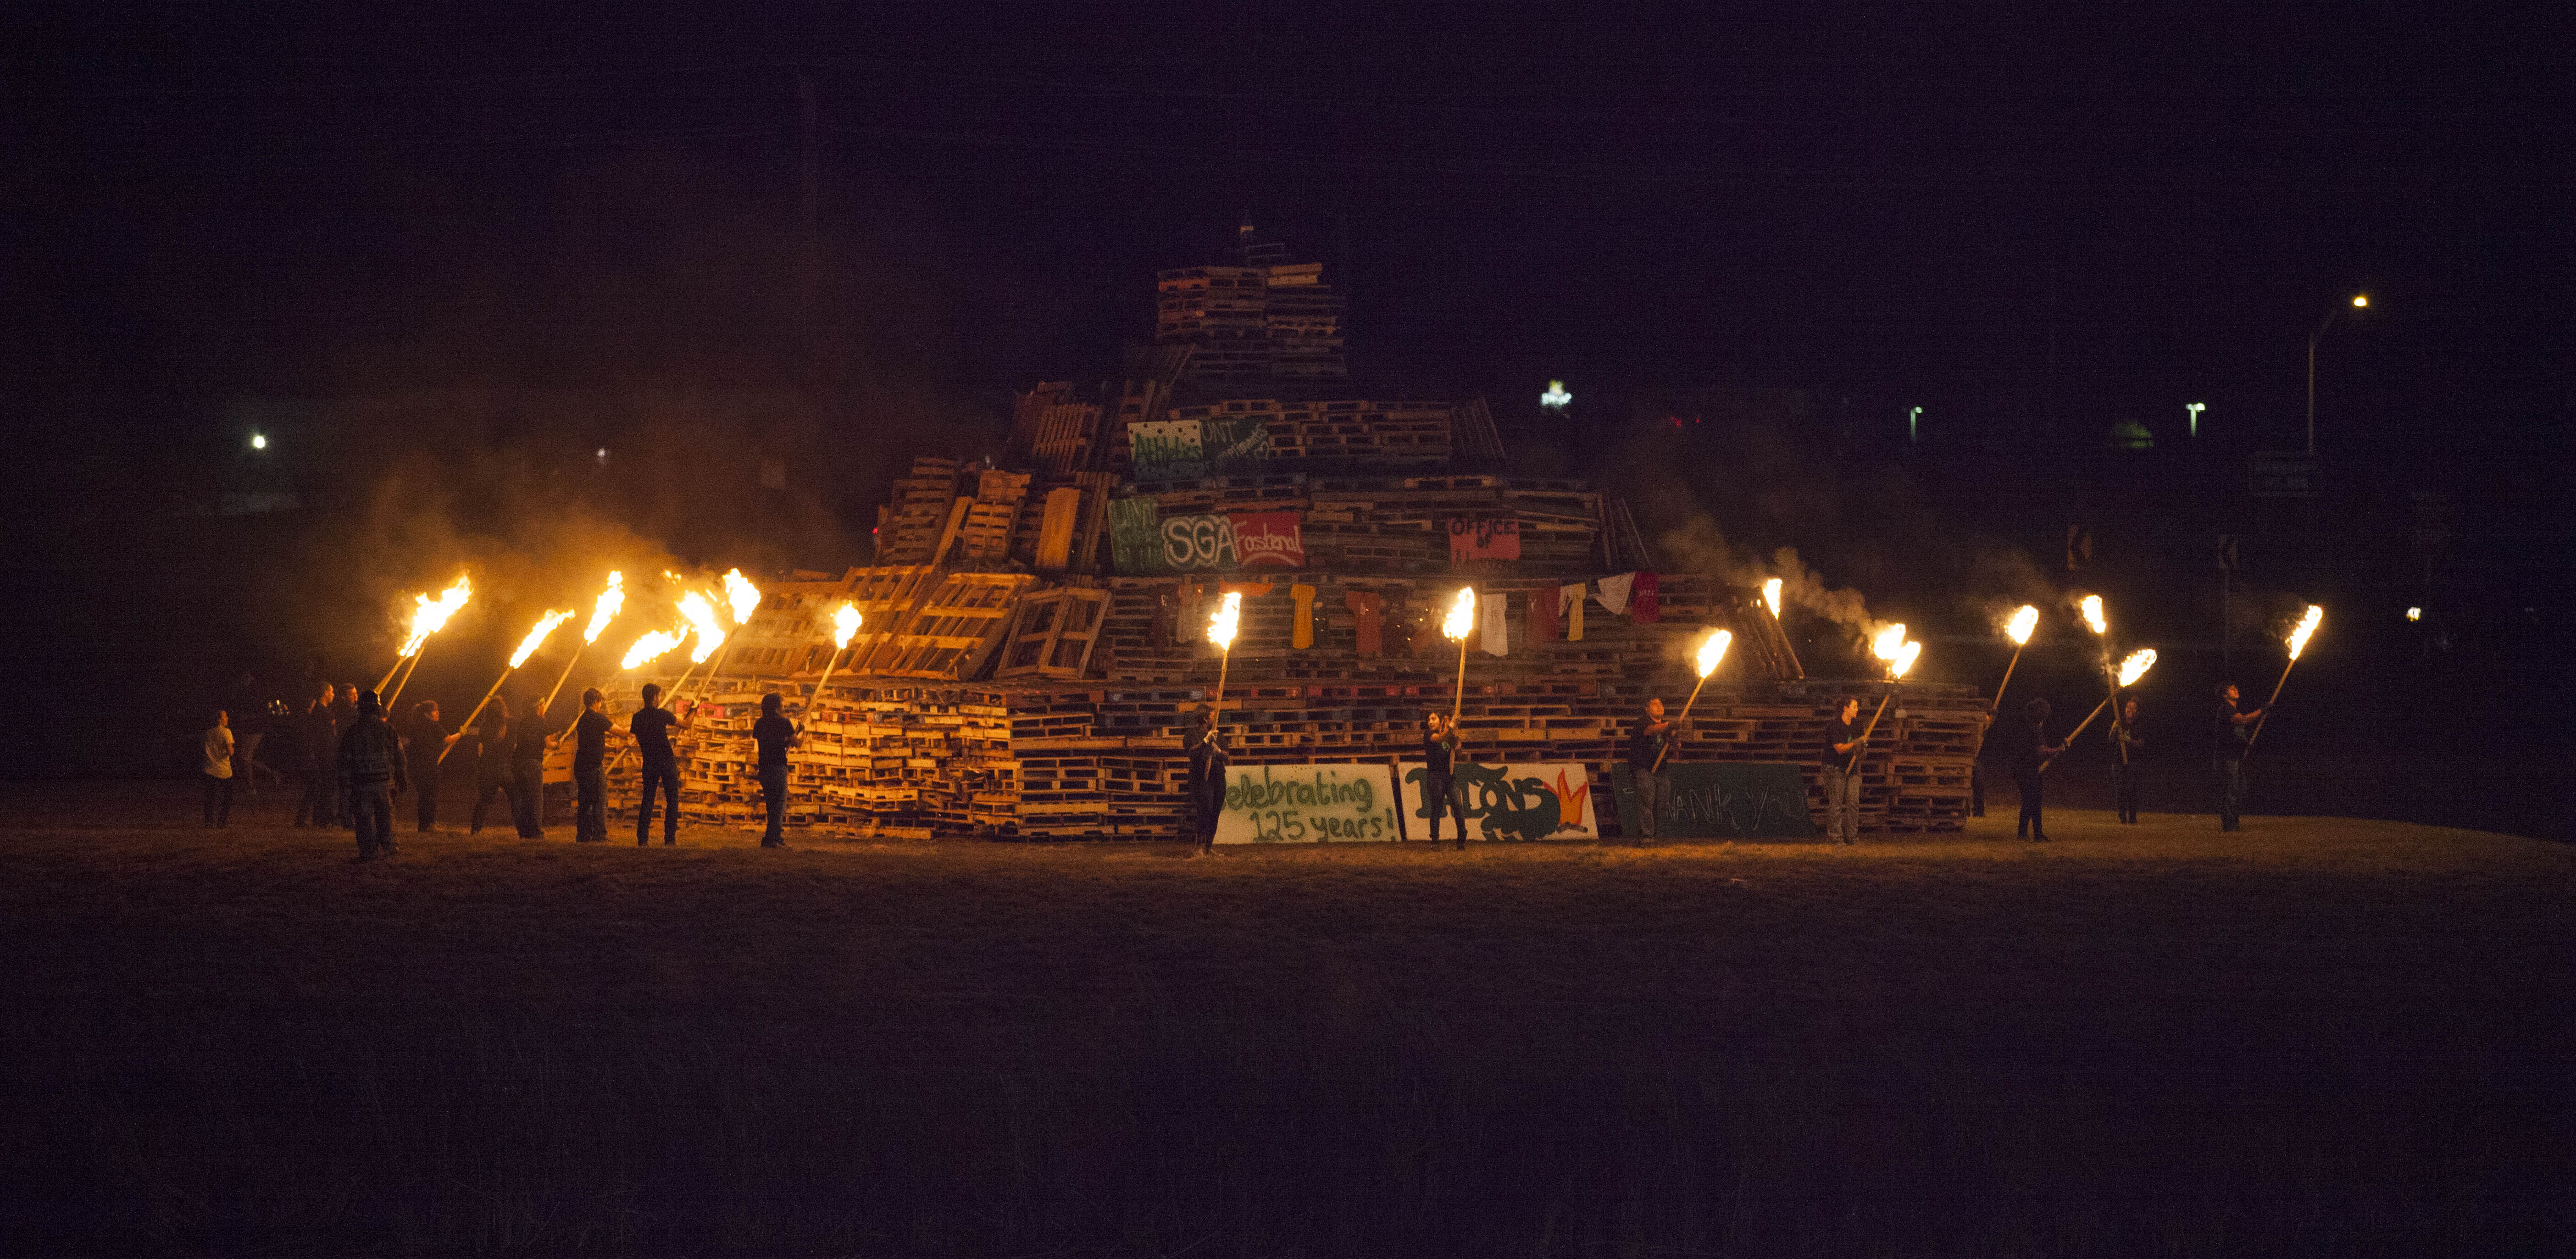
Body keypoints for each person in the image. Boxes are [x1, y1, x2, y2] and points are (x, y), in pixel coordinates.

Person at [338, 688, 408, 860]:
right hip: (384, 783)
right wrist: (402, 778)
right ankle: (390, 844)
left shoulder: (352, 732)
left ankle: (368, 850)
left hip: (361, 784)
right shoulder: (389, 730)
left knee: (363, 819)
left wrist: (345, 786)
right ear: (378, 709)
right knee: (386, 815)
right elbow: (400, 756)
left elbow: (344, 761)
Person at [630, 682, 694, 846]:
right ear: (654, 698)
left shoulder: (637, 718)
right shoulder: (661, 714)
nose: (660, 699)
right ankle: (670, 839)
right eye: (658, 696)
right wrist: (694, 710)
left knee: (648, 799)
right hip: (666, 761)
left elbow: (644, 740)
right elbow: (686, 724)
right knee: (672, 799)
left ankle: (643, 839)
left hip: (650, 762)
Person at [1625, 697, 1685, 843]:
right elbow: (1650, 731)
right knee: (1646, 803)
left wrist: (1676, 746)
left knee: (1662, 804)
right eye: (1654, 704)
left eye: (1661, 704)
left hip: (1661, 770)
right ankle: (1647, 836)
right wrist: (1669, 725)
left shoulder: (1668, 728)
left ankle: (1659, 836)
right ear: (1647, 709)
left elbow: (1673, 750)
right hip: (1644, 768)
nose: (1659, 706)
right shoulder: (1643, 722)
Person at [560, 688, 615, 843]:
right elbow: (620, 732)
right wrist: (635, 730)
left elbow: (593, 743)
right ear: (596, 702)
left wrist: (614, 748)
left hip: (581, 765)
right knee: (599, 800)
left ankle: (583, 835)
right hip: (593, 766)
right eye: (600, 702)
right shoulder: (598, 718)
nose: (601, 706)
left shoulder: (583, 719)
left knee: (584, 801)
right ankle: (600, 835)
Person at [399, 700, 460, 832]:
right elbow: (449, 739)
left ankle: (424, 825)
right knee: (431, 795)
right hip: (428, 767)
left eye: (438, 710)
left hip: (417, 767)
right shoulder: (433, 726)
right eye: (434, 710)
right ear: (427, 714)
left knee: (424, 796)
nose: (438, 713)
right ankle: (430, 824)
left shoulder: (416, 726)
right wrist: (462, 733)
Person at [2010, 698, 2065, 843]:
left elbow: (2040, 752)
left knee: (2034, 801)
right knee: (2030, 801)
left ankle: (2038, 834)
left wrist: (2054, 752)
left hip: (2027, 769)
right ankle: (2023, 834)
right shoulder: (2034, 728)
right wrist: (2056, 750)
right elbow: (2040, 751)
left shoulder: (2027, 726)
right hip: (2025, 769)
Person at [2211, 683, 2264, 832]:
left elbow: (2237, 733)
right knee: (2232, 791)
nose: (2236, 690)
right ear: (2224, 695)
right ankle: (2230, 825)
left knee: (2240, 789)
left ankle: (2233, 821)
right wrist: (2262, 711)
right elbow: (2242, 720)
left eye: (2236, 688)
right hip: (2227, 758)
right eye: (2231, 689)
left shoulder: (2233, 710)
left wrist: (2245, 744)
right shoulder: (2225, 709)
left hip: (2235, 757)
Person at [752, 692, 799, 848]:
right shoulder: (784, 723)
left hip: (764, 768)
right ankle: (772, 839)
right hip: (778, 767)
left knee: (771, 805)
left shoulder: (759, 724)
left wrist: (787, 739)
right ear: (777, 707)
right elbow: (797, 744)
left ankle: (772, 838)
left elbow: (773, 742)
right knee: (778, 805)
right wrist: (800, 733)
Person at [1183, 704, 1230, 854]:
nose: (1215, 719)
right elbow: (1191, 752)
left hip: (1218, 775)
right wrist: (1205, 742)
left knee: (1215, 811)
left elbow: (1227, 756)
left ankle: (1208, 849)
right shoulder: (1192, 735)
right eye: (1212, 716)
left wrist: (1218, 751)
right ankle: (1198, 848)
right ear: (1205, 719)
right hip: (1201, 777)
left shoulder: (1218, 735)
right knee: (1205, 810)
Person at [467, 696, 514, 836]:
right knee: (516, 798)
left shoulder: (485, 727)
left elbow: (481, 749)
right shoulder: (508, 724)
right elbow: (511, 746)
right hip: (503, 766)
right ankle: (524, 828)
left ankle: (476, 829)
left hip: (488, 767)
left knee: (484, 800)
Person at [1821, 696, 1865, 845]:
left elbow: (1861, 749)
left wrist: (1862, 750)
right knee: (1837, 803)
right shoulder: (1834, 726)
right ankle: (1836, 837)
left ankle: (1852, 837)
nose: (1857, 709)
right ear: (1846, 708)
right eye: (1854, 706)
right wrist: (1855, 744)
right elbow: (1839, 749)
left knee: (1853, 803)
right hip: (1835, 768)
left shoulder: (1858, 726)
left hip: (1853, 769)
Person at [1419, 712, 1468, 847]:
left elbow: (1458, 755)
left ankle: (1462, 839)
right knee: (1437, 808)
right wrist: (1451, 727)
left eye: (1434, 719)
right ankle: (1435, 840)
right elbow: (1439, 739)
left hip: (1450, 776)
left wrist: (1458, 747)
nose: (1430, 722)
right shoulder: (1428, 735)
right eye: (1429, 719)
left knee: (1458, 806)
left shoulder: (1450, 737)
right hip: (1435, 776)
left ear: (1441, 721)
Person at [293, 683, 338, 827]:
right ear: (325, 693)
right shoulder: (320, 712)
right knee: (319, 786)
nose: (333, 694)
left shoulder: (323, 711)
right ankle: (319, 818)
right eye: (331, 691)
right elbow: (321, 735)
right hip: (321, 755)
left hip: (324, 753)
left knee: (322, 787)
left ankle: (321, 818)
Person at [505, 691, 548, 839]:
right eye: (543, 703)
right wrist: (558, 744)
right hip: (532, 763)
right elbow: (547, 743)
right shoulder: (540, 721)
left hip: (518, 763)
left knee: (524, 798)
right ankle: (535, 831)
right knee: (536, 798)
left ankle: (524, 831)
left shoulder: (523, 721)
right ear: (539, 706)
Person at [328, 684, 359, 826]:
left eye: (356, 693)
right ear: (343, 697)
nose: (355, 696)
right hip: (345, 754)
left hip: (354, 754)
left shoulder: (356, 710)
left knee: (353, 787)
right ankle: (346, 818)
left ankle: (348, 816)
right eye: (351, 694)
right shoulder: (342, 712)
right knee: (346, 787)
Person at [199, 709, 235, 828]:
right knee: (228, 796)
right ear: (219, 720)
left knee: (210, 797)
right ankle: (222, 821)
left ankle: (209, 822)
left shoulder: (207, 733)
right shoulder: (226, 732)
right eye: (225, 717)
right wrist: (231, 750)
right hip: (224, 770)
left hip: (209, 769)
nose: (228, 718)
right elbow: (230, 752)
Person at [2112, 696, 2145, 824]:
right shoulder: (2119, 723)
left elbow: (2141, 744)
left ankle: (2132, 817)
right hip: (2119, 761)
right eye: (2128, 707)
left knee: (2132, 789)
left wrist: (2126, 740)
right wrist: (2115, 730)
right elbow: (2111, 739)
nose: (2129, 709)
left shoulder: (2140, 726)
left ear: (2137, 711)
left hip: (2133, 762)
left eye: (2133, 708)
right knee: (2120, 789)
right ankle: (2122, 816)